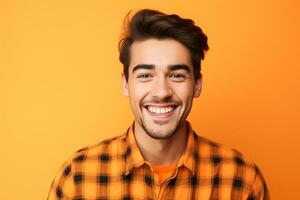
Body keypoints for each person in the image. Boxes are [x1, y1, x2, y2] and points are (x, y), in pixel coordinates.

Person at [48, 9, 269, 200]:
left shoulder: (243, 179)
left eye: (177, 75)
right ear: (126, 84)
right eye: (145, 75)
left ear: (197, 84)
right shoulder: (77, 177)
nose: (162, 92)